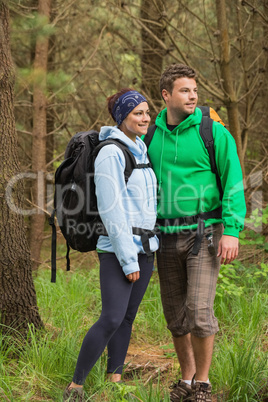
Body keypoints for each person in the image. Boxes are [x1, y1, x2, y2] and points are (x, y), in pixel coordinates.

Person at [145, 64, 246, 402]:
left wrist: (230, 230)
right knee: (175, 317)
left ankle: (202, 382)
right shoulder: (152, 134)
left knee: (199, 312)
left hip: (205, 234)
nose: (192, 96)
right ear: (166, 95)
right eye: (184, 90)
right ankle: (186, 379)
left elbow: (232, 181)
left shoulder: (211, 131)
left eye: (194, 90)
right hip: (164, 236)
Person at [63, 89, 159, 401]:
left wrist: (147, 248)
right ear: (122, 117)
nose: (145, 118)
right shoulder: (111, 153)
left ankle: (113, 382)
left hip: (146, 247)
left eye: (146, 112)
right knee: (112, 318)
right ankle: (75, 386)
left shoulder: (140, 147)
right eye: (137, 113)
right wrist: (128, 259)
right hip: (119, 249)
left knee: (128, 317)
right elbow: (112, 209)